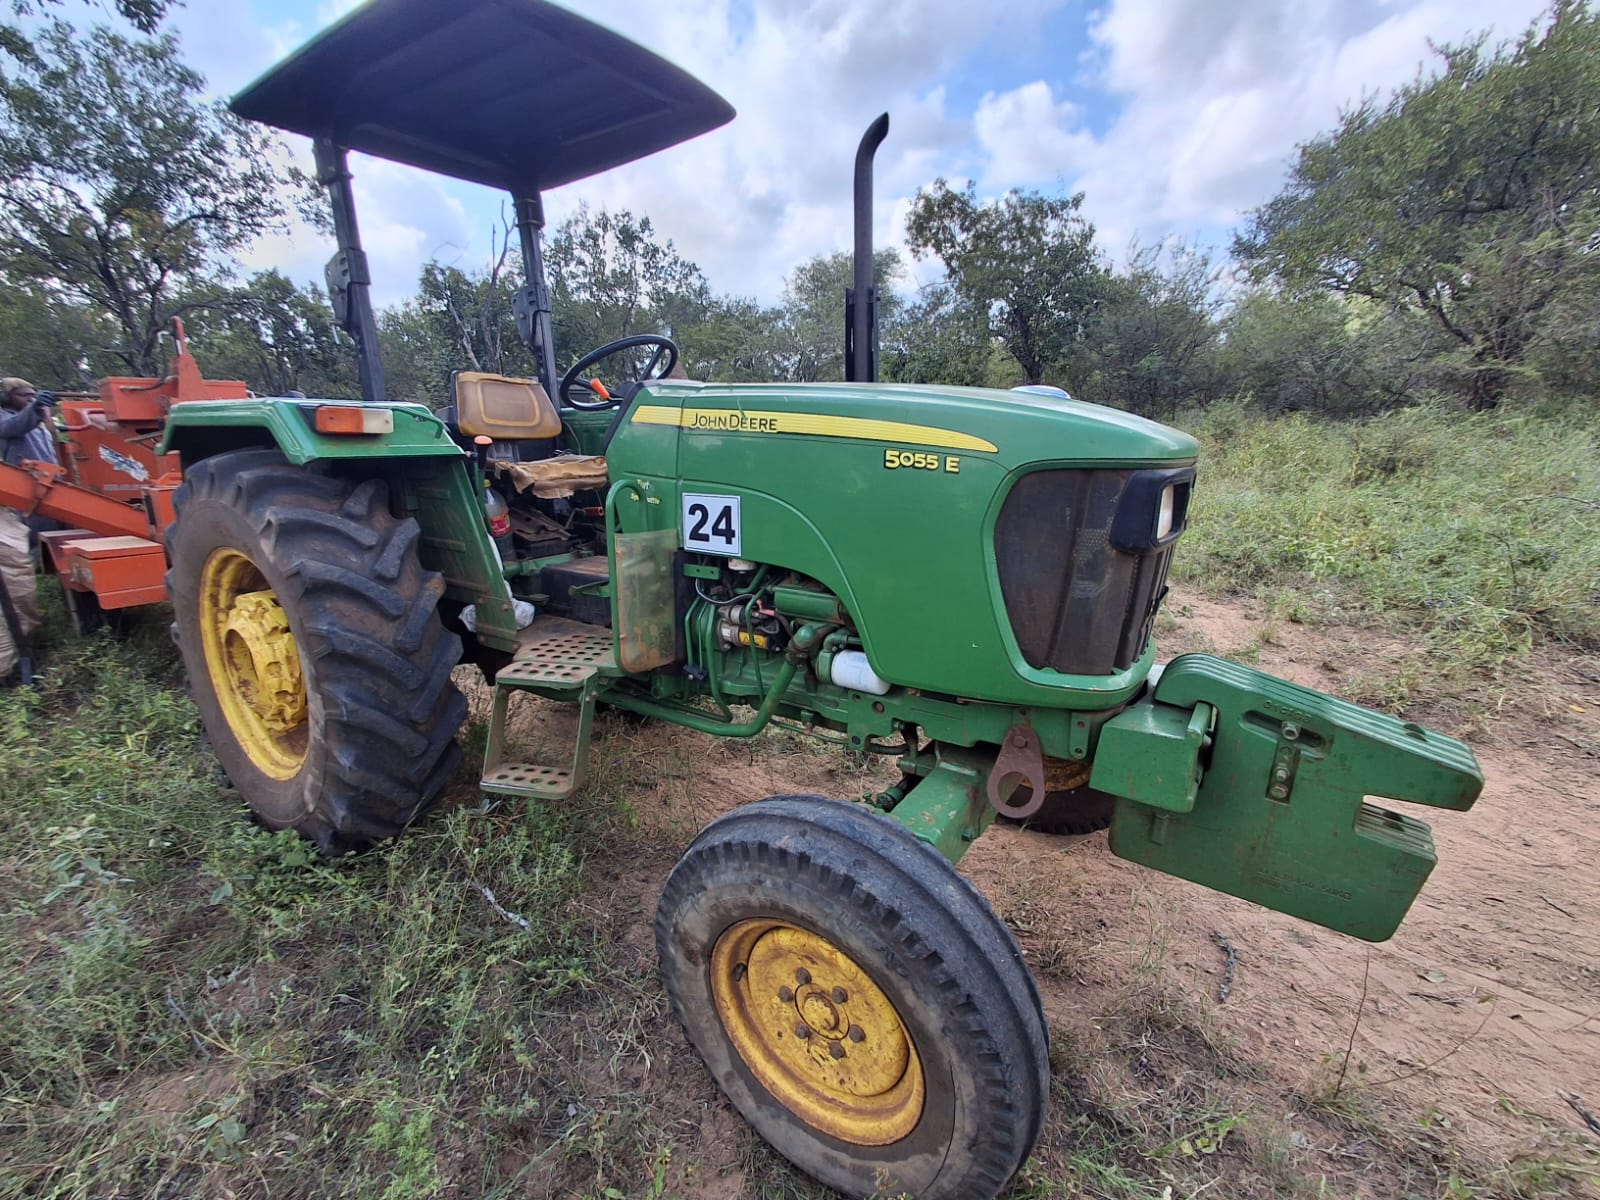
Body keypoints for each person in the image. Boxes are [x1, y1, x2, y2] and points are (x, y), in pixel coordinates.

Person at [0, 377, 58, 681]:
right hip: (29, 496)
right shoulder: (8, 421)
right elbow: (13, 427)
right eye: (25, 395)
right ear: (9, 399)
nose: (31, 398)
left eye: (34, 394)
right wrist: (37, 408)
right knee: (30, 548)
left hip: (53, 489)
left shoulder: (39, 425)